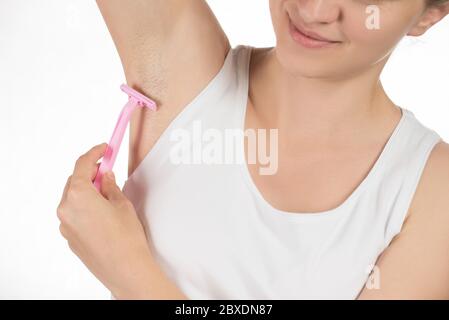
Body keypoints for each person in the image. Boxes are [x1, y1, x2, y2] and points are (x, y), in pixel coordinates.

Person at [58, 0, 449, 299]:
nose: (314, 10)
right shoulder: (186, 65)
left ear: (427, 15)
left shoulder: (431, 192)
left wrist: (127, 270)